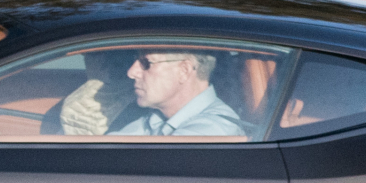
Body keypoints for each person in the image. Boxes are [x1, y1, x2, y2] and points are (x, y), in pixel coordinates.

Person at [61, 49, 246, 138]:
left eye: (146, 63)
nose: (132, 72)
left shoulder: (214, 132)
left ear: (184, 71)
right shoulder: (155, 119)